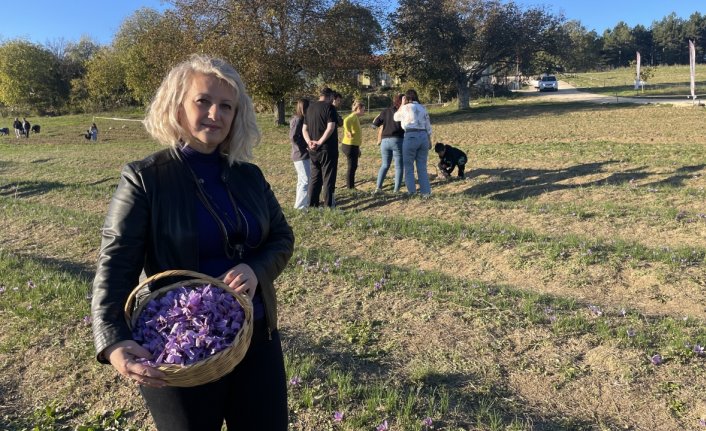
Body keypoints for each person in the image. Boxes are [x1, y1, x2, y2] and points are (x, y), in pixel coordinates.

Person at [90, 54, 294, 431]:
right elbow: (115, 263)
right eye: (203, 101)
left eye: (227, 106)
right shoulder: (145, 178)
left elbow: (282, 238)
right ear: (177, 105)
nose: (215, 114)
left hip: (256, 336)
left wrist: (255, 267)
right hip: (180, 349)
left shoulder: (249, 176)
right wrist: (113, 339)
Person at [303, 87, 339, 208]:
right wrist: (319, 142)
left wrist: (309, 142)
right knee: (328, 178)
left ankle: (312, 205)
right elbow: (331, 127)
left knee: (315, 178)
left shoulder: (310, 108)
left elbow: (304, 129)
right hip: (327, 149)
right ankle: (329, 206)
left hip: (313, 150)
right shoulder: (330, 107)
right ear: (330, 97)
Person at [393, 89, 432, 197]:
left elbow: (395, 117)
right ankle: (426, 192)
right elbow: (428, 125)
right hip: (423, 136)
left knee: (409, 166)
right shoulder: (423, 108)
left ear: (406, 98)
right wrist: (429, 140)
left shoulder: (405, 107)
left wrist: (401, 104)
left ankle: (412, 192)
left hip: (411, 136)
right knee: (422, 167)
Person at [373, 94, 405, 193]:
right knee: (399, 166)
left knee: (385, 164)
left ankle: (378, 187)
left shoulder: (385, 111)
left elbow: (374, 124)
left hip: (384, 141)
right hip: (397, 140)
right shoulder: (403, 111)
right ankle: (396, 190)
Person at [289, 98, 310, 209]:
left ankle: (303, 203)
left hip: (302, 154)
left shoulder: (301, 119)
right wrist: (305, 147)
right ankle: (300, 207)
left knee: (303, 180)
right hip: (300, 155)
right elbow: (293, 137)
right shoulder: (298, 120)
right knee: (305, 180)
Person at [341, 100, 365, 189]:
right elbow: (346, 120)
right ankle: (350, 187)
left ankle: (350, 186)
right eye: (363, 109)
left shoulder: (356, 118)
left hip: (353, 146)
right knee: (352, 167)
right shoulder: (353, 116)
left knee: (353, 166)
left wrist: (358, 148)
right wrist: (348, 131)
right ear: (358, 109)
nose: (364, 111)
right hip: (349, 146)